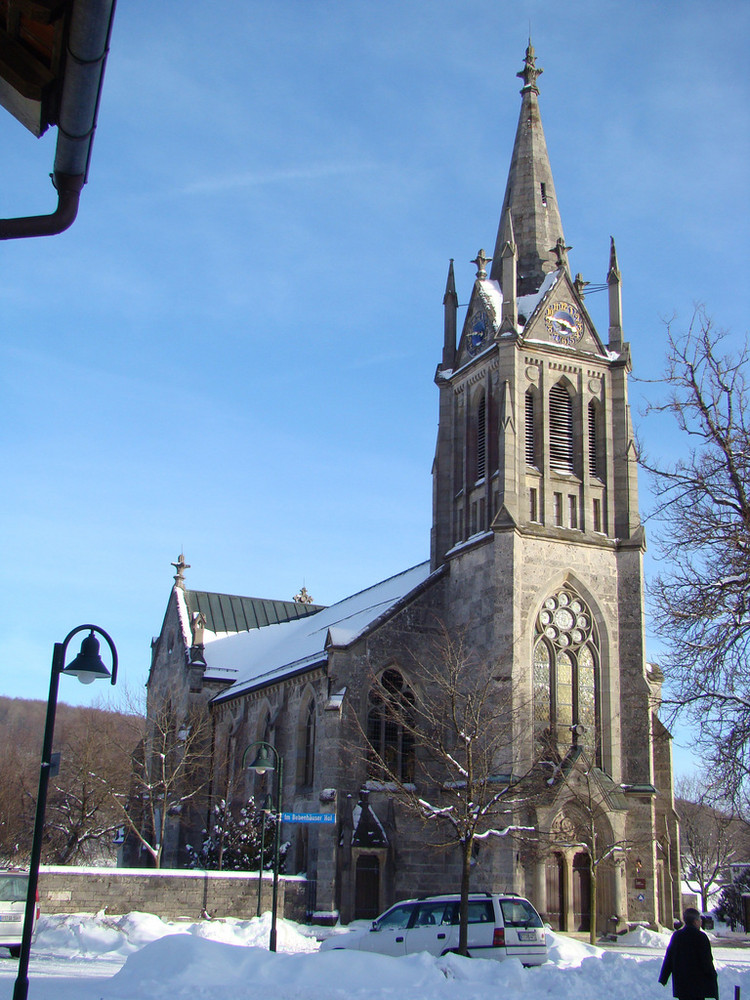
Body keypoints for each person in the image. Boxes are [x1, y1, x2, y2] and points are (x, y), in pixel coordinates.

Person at [659, 908, 718, 1000]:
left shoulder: (677, 936)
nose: (701, 922)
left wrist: (664, 977)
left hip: (681, 984)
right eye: (699, 920)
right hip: (698, 986)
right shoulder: (701, 937)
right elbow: (706, 961)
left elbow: (669, 957)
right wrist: (712, 977)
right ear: (695, 922)